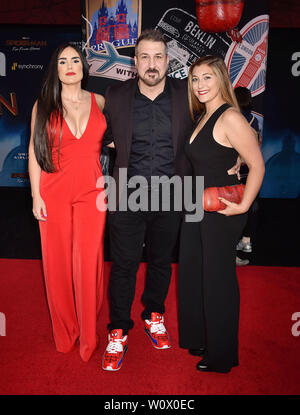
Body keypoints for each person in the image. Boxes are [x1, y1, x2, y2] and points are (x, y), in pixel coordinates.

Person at [101, 29, 194, 371]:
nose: (152, 64)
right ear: (134, 61)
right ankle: (118, 329)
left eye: (158, 57)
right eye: (145, 57)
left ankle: (154, 313)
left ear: (168, 61)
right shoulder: (115, 95)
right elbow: (102, 135)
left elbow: (210, 131)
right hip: (127, 194)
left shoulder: (187, 95)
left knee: (160, 261)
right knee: (123, 265)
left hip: (173, 192)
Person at [178, 55, 265, 373]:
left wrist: (243, 205)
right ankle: (202, 337)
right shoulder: (203, 115)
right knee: (193, 274)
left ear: (221, 81)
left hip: (220, 209)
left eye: (207, 78)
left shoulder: (230, 117)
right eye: (195, 79)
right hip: (196, 205)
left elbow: (257, 164)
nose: (200, 85)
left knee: (217, 280)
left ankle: (222, 355)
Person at [28, 43, 107, 362]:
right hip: (54, 190)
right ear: (56, 69)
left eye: (75, 60)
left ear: (84, 67)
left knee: (88, 262)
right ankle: (65, 332)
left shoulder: (100, 100)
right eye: (63, 61)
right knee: (57, 263)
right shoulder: (43, 104)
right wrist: (35, 194)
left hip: (92, 192)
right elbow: (35, 152)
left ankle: (89, 335)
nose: (70, 65)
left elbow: (118, 137)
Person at [234, 86, 262, 266]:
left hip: (236, 171)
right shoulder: (252, 120)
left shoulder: (235, 118)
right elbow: (256, 147)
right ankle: (245, 241)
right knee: (251, 207)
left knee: (235, 210)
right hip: (249, 171)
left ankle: (237, 246)